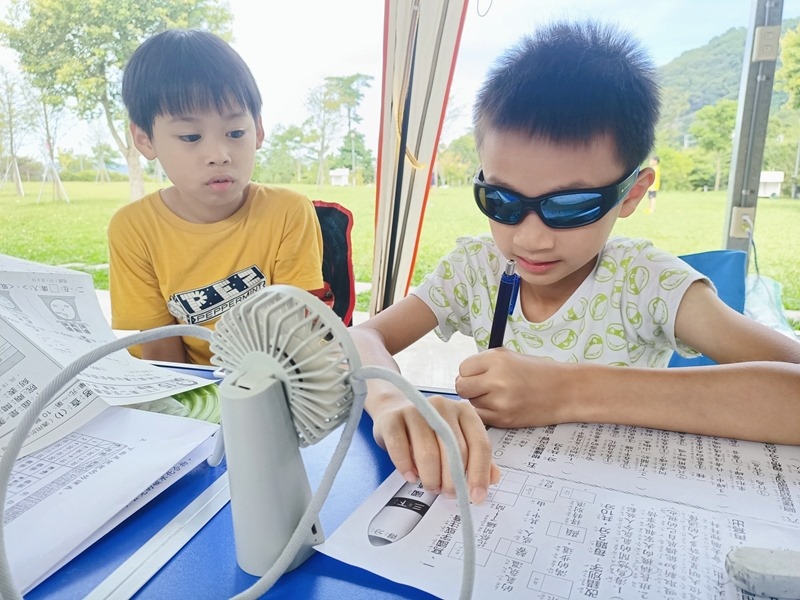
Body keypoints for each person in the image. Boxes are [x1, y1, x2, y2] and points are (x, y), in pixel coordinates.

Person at [352, 20, 800, 507]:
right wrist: (391, 397)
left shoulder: (648, 284)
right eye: (500, 199)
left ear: (631, 193)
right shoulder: (476, 268)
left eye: (569, 207)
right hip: (506, 499)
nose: (529, 238)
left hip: (617, 504)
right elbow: (361, 336)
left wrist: (569, 390)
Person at [108, 29, 324, 365]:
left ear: (259, 130)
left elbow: (296, 339)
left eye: (236, 132)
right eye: (191, 136)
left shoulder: (288, 212)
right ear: (145, 139)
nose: (219, 154)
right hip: (190, 382)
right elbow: (161, 350)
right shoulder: (134, 229)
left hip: (272, 377)